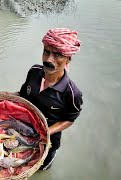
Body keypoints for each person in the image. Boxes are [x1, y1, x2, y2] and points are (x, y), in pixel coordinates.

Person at [17, 28, 83, 170]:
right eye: (46, 52)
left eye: (58, 54)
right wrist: (1, 97)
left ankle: (45, 165)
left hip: (48, 140)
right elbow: (22, 95)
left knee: (42, 167)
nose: (48, 59)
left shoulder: (72, 93)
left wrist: (46, 132)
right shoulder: (34, 71)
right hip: (24, 130)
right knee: (20, 162)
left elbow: (70, 119)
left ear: (68, 59)